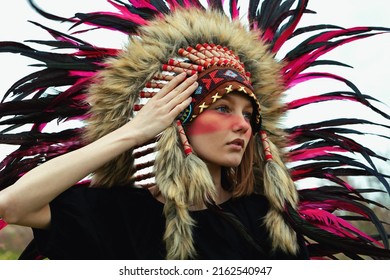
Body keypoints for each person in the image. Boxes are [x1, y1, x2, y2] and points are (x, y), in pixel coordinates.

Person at [0, 0, 389, 260]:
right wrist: (131, 132)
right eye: (222, 107)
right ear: (173, 118)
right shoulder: (117, 212)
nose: (242, 125)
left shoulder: (267, 220)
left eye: (249, 114)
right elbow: (12, 205)